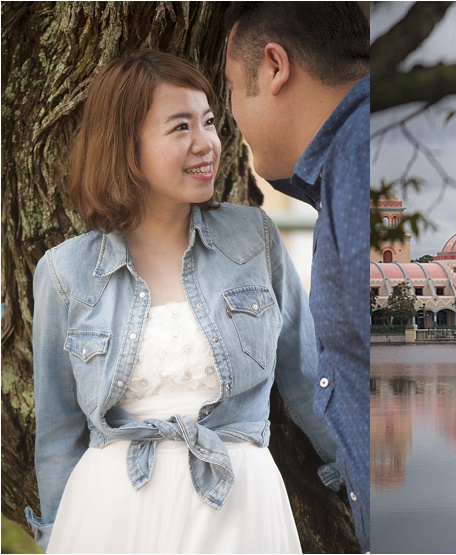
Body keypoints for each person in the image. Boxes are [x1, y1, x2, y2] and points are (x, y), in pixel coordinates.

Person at [24, 49, 340, 553]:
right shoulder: (65, 272)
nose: (207, 144)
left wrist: (363, 479)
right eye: (180, 128)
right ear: (126, 146)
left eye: (210, 122)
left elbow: (309, 379)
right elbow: (59, 437)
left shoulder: (253, 239)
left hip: (240, 508)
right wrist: (59, 533)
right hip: (112, 515)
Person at [222, 2, 370, 551]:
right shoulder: (340, 170)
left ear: (275, 67)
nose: (231, 118)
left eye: (233, 89)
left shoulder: (360, 164)